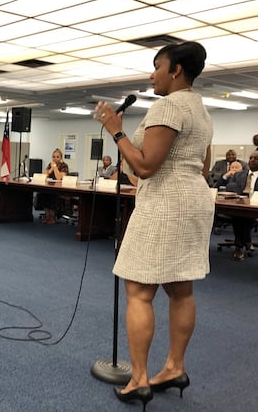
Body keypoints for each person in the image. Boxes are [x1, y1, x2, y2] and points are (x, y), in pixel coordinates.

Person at [94, 41, 213, 411]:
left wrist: (116, 130)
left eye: (157, 66)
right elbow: (201, 168)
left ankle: (140, 379)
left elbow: (146, 166)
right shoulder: (200, 109)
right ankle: (174, 368)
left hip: (164, 206)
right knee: (181, 291)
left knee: (139, 292)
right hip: (193, 202)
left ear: (176, 69)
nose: (152, 74)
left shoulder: (170, 105)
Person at [224, 151, 258, 260]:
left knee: (244, 217)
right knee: (240, 215)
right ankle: (241, 245)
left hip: (255, 207)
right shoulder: (239, 174)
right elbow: (229, 187)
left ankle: (242, 244)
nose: (252, 160)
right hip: (241, 206)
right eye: (251, 157)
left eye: (256, 158)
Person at [38, 148, 68, 224]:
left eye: (57, 157)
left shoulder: (64, 166)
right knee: (42, 194)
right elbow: (44, 176)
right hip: (50, 187)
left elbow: (59, 177)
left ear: (61, 158)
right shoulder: (50, 165)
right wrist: (51, 168)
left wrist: (55, 167)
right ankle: (48, 216)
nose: (55, 158)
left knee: (52, 196)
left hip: (60, 189)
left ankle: (53, 217)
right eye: (53, 157)